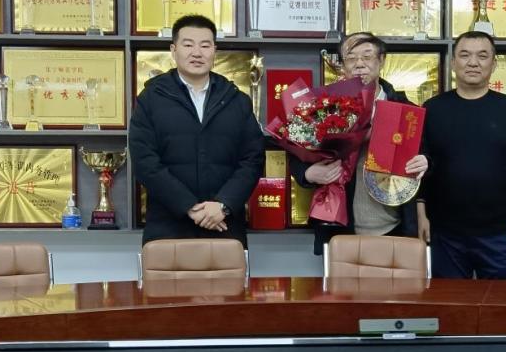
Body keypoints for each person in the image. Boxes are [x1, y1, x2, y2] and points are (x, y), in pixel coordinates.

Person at [129, 14, 265, 246]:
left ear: (214, 51)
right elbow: (144, 161)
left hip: (224, 225)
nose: (197, 53)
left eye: (205, 45)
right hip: (167, 226)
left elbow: (253, 159)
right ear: (173, 51)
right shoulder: (151, 98)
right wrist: (189, 207)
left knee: (228, 274)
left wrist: (223, 204)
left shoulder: (236, 100)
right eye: (188, 45)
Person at [290, 32, 428, 255]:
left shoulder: (406, 110)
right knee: (341, 279)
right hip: (338, 227)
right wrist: (308, 174)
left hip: (393, 226)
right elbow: (297, 153)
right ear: (342, 64)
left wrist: (425, 162)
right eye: (351, 58)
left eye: (367, 56)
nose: (359, 64)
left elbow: (427, 157)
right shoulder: (323, 107)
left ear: (381, 61)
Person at [419, 31, 506, 279]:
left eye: (482, 56)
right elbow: (420, 166)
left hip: (501, 232)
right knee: (449, 301)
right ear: (453, 62)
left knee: (499, 301)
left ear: (494, 64)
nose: (473, 62)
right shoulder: (432, 109)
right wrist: (421, 215)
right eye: (465, 55)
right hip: (445, 233)